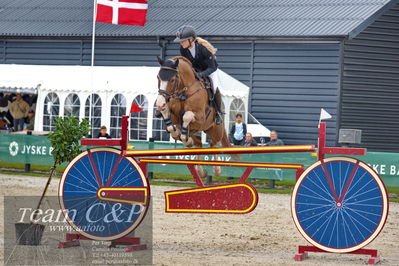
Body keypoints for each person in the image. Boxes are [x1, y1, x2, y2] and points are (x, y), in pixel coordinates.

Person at [174, 25, 223, 124]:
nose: (181, 43)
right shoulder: (183, 49)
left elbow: (212, 67)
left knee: (214, 88)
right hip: (196, 70)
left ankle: (218, 113)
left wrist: (201, 74)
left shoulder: (203, 49)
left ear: (191, 39)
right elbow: (188, 64)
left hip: (210, 70)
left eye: (183, 40)